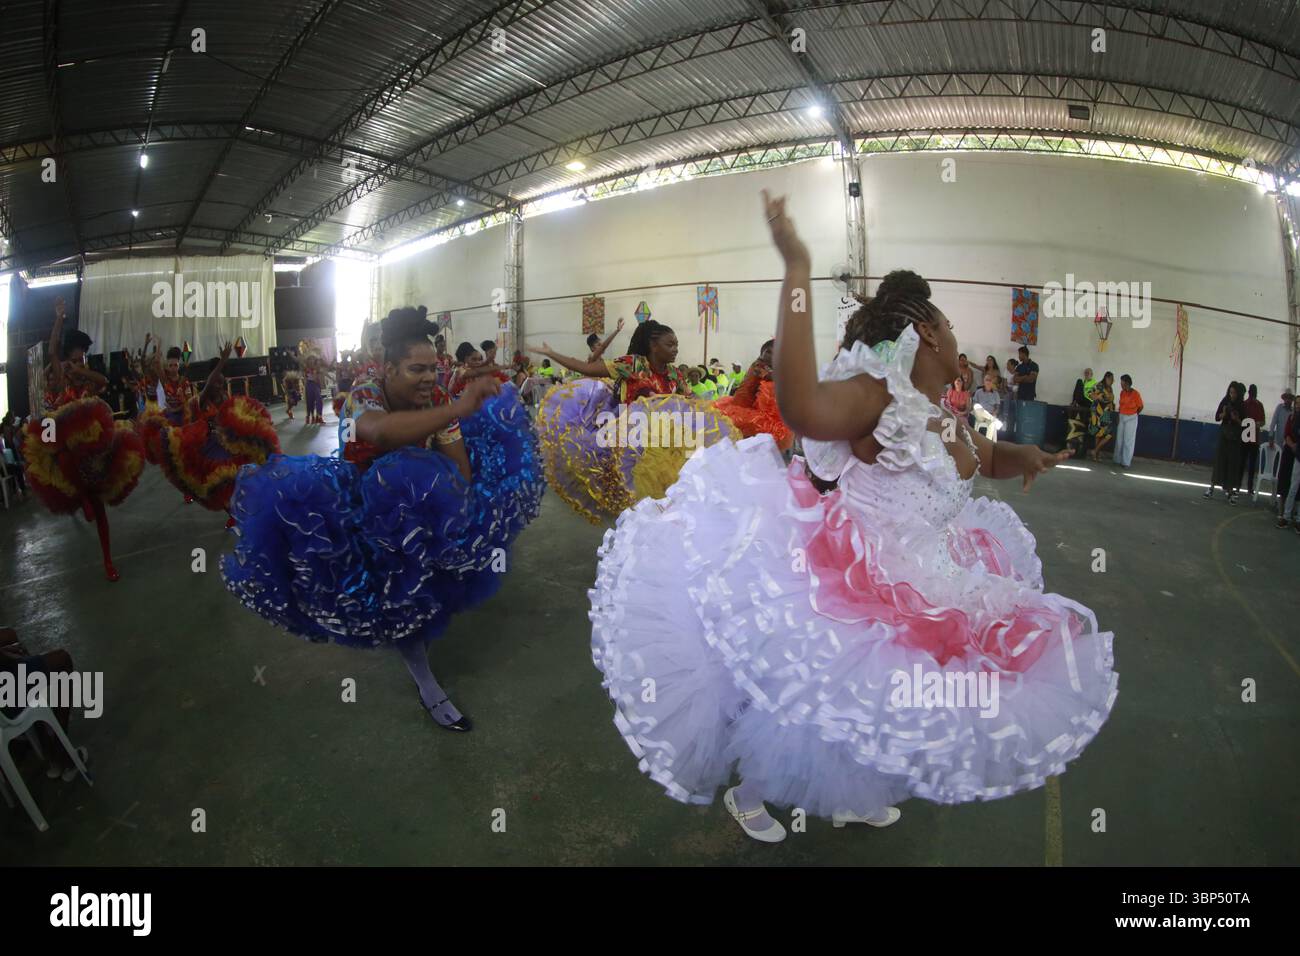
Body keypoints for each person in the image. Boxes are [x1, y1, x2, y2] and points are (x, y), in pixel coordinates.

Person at [589, 192, 1114, 843]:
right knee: (808, 701)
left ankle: (854, 786)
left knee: (887, 704)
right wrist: (798, 270)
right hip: (855, 580)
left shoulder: (942, 412)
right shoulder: (876, 395)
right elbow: (804, 404)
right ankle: (751, 788)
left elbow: (985, 457)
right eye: (949, 326)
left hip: (932, 579)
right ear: (925, 331)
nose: (958, 340)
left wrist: (1025, 455)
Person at [222, 307, 545, 731]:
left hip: (416, 515)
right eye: (416, 369)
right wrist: (459, 408)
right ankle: (427, 683)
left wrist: (456, 523)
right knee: (390, 600)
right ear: (388, 368)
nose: (429, 378)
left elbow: (459, 471)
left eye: (433, 368)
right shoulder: (364, 395)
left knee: (427, 584)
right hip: (357, 511)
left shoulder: (439, 402)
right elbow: (379, 432)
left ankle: (419, 638)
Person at [531, 320, 738, 523]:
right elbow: (587, 368)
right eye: (670, 344)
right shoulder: (634, 364)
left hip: (666, 445)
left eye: (676, 345)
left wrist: (714, 410)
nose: (675, 349)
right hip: (633, 447)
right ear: (653, 346)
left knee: (669, 504)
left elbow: (691, 401)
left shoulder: (674, 374)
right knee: (639, 506)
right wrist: (552, 354)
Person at [21, 297, 145, 581]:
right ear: (65, 363)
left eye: (82, 359)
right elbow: (52, 350)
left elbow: (102, 382)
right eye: (74, 360)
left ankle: (108, 561)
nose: (78, 363)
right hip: (68, 461)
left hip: (92, 464)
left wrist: (80, 369)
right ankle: (82, 500)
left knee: (100, 514)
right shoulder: (63, 385)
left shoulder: (88, 383)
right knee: (63, 455)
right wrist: (59, 319)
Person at [146, 342, 280, 522]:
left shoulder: (222, 396)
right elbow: (206, 384)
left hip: (219, 439)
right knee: (205, 476)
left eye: (221, 382)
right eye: (170, 364)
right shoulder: (201, 398)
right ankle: (227, 509)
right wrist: (223, 360)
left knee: (235, 476)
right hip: (196, 436)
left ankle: (239, 509)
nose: (219, 385)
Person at [715, 339, 793, 453]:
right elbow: (740, 400)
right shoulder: (757, 369)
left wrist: (772, 377)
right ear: (762, 354)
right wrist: (754, 377)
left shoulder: (789, 375)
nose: (773, 355)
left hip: (778, 427)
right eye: (769, 351)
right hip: (754, 423)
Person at [1205, 381, 1246, 503]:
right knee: (1219, 460)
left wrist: (1236, 419)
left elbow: (1245, 424)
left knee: (1232, 463)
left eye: (1234, 393)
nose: (1232, 395)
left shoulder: (1241, 405)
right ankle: (1212, 487)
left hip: (1235, 436)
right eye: (1230, 392)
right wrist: (1223, 414)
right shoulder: (1225, 401)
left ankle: (1230, 491)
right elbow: (1217, 417)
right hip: (1224, 434)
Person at [1274, 403, 1299, 530]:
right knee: (1292, 487)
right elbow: (1287, 434)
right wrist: (1293, 446)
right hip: (1295, 455)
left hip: (1296, 454)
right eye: (1297, 404)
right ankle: (1286, 515)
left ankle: (1297, 518)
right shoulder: (1292, 419)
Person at [1241, 384, 1267, 496]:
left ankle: (1245, 487)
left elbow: (1263, 422)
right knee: (1246, 464)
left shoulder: (1255, 405)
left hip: (1250, 438)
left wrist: (1257, 424)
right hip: (1249, 438)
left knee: (1247, 464)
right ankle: (1247, 487)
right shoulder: (1246, 405)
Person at [1114, 374, 1144, 467]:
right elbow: (1121, 406)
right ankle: (1117, 460)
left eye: (1122, 382)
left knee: (1128, 441)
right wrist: (1119, 416)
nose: (1121, 384)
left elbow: (1140, 407)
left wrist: (1134, 414)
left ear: (1127, 383)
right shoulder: (1122, 393)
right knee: (1119, 440)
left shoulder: (1135, 394)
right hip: (1122, 416)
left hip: (1132, 418)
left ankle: (1126, 462)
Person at [1087, 372, 1116, 462]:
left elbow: (1110, 400)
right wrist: (1097, 397)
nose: (1112, 381)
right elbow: (1090, 394)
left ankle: (1095, 452)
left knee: (1107, 434)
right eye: (1111, 379)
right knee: (1099, 434)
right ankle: (1096, 454)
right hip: (1097, 413)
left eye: (1112, 380)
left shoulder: (1110, 388)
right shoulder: (1099, 385)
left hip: (1106, 414)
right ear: (1106, 378)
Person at [1267, 390, 1294, 482]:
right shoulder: (1279, 408)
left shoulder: (1293, 411)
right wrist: (1271, 437)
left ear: (1292, 400)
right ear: (1284, 399)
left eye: (1290, 398)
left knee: (1285, 465)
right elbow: (1273, 422)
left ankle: (1282, 483)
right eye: (1286, 398)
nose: (1288, 400)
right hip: (1278, 441)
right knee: (1276, 463)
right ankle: (1274, 482)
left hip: (1288, 443)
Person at [971, 370, 1003, 441]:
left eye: (990, 380)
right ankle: (994, 419)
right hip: (980, 416)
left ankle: (988, 442)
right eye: (986, 380)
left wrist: (995, 413)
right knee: (977, 406)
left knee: (992, 423)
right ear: (983, 382)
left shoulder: (995, 394)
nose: (988, 382)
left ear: (992, 382)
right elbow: (974, 404)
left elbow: (997, 407)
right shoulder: (978, 392)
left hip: (991, 414)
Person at [1066, 379, 1090, 458]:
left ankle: (1071, 452)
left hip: (1073, 426)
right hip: (1082, 424)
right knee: (1081, 438)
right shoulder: (1086, 401)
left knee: (1072, 437)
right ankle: (1081, 454)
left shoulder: (1074, 402)